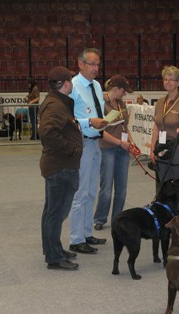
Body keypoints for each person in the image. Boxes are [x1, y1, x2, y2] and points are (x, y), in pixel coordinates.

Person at [39, 66, 81, 271]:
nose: (72, 84)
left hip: (59, 165)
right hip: (61, 166)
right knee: (56, 213)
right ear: (65, 84)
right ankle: (54, 257)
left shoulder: (57, 102)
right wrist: (70, 149)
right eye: (71, 80)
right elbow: (48, 133)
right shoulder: (56, 105)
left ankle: (53, 250)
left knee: (52, 212)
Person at [68, 48, 108, 254]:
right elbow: (67, 119)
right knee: (81, 192)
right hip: (82, 142)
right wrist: (89, 122)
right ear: (80, 64)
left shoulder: (97, 85)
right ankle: (75, 239)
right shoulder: (73, 86)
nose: (95, 68)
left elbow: (97, 110)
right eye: (91, 64)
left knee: (92, 191)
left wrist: (103, 122)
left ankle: (86, 232)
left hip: (95, 143)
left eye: (98, 64)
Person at [93, 75, 135, 231]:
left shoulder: (121, 104)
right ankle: (100, 218)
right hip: (107, 149)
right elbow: (100, 132)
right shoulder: (100, 104)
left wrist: (130, 142)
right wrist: (120, 143)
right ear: (115, 88)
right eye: (123, 90)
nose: (125, 94)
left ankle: (118, 219)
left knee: (122, 188)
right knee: (106, 188)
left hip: (123, 149)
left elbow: (125, 126)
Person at [150, 66, 179, 187]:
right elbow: (156, 127)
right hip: (161, 148)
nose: (167, 82)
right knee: (161, 185)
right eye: (165, 79)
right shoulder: (160, 102)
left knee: (177, 187)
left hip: (178, 150)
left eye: (171, 79)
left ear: (178, 82)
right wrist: (152, 149)